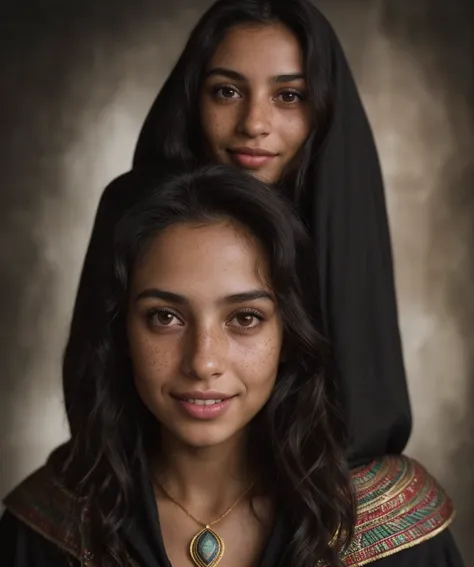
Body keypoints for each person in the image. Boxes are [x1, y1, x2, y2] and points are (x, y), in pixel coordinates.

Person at [2, 0, 463, 565]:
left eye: (289, 95)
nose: (255, 124)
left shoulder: (380, 526)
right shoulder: (136, 216)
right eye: (226, 91)